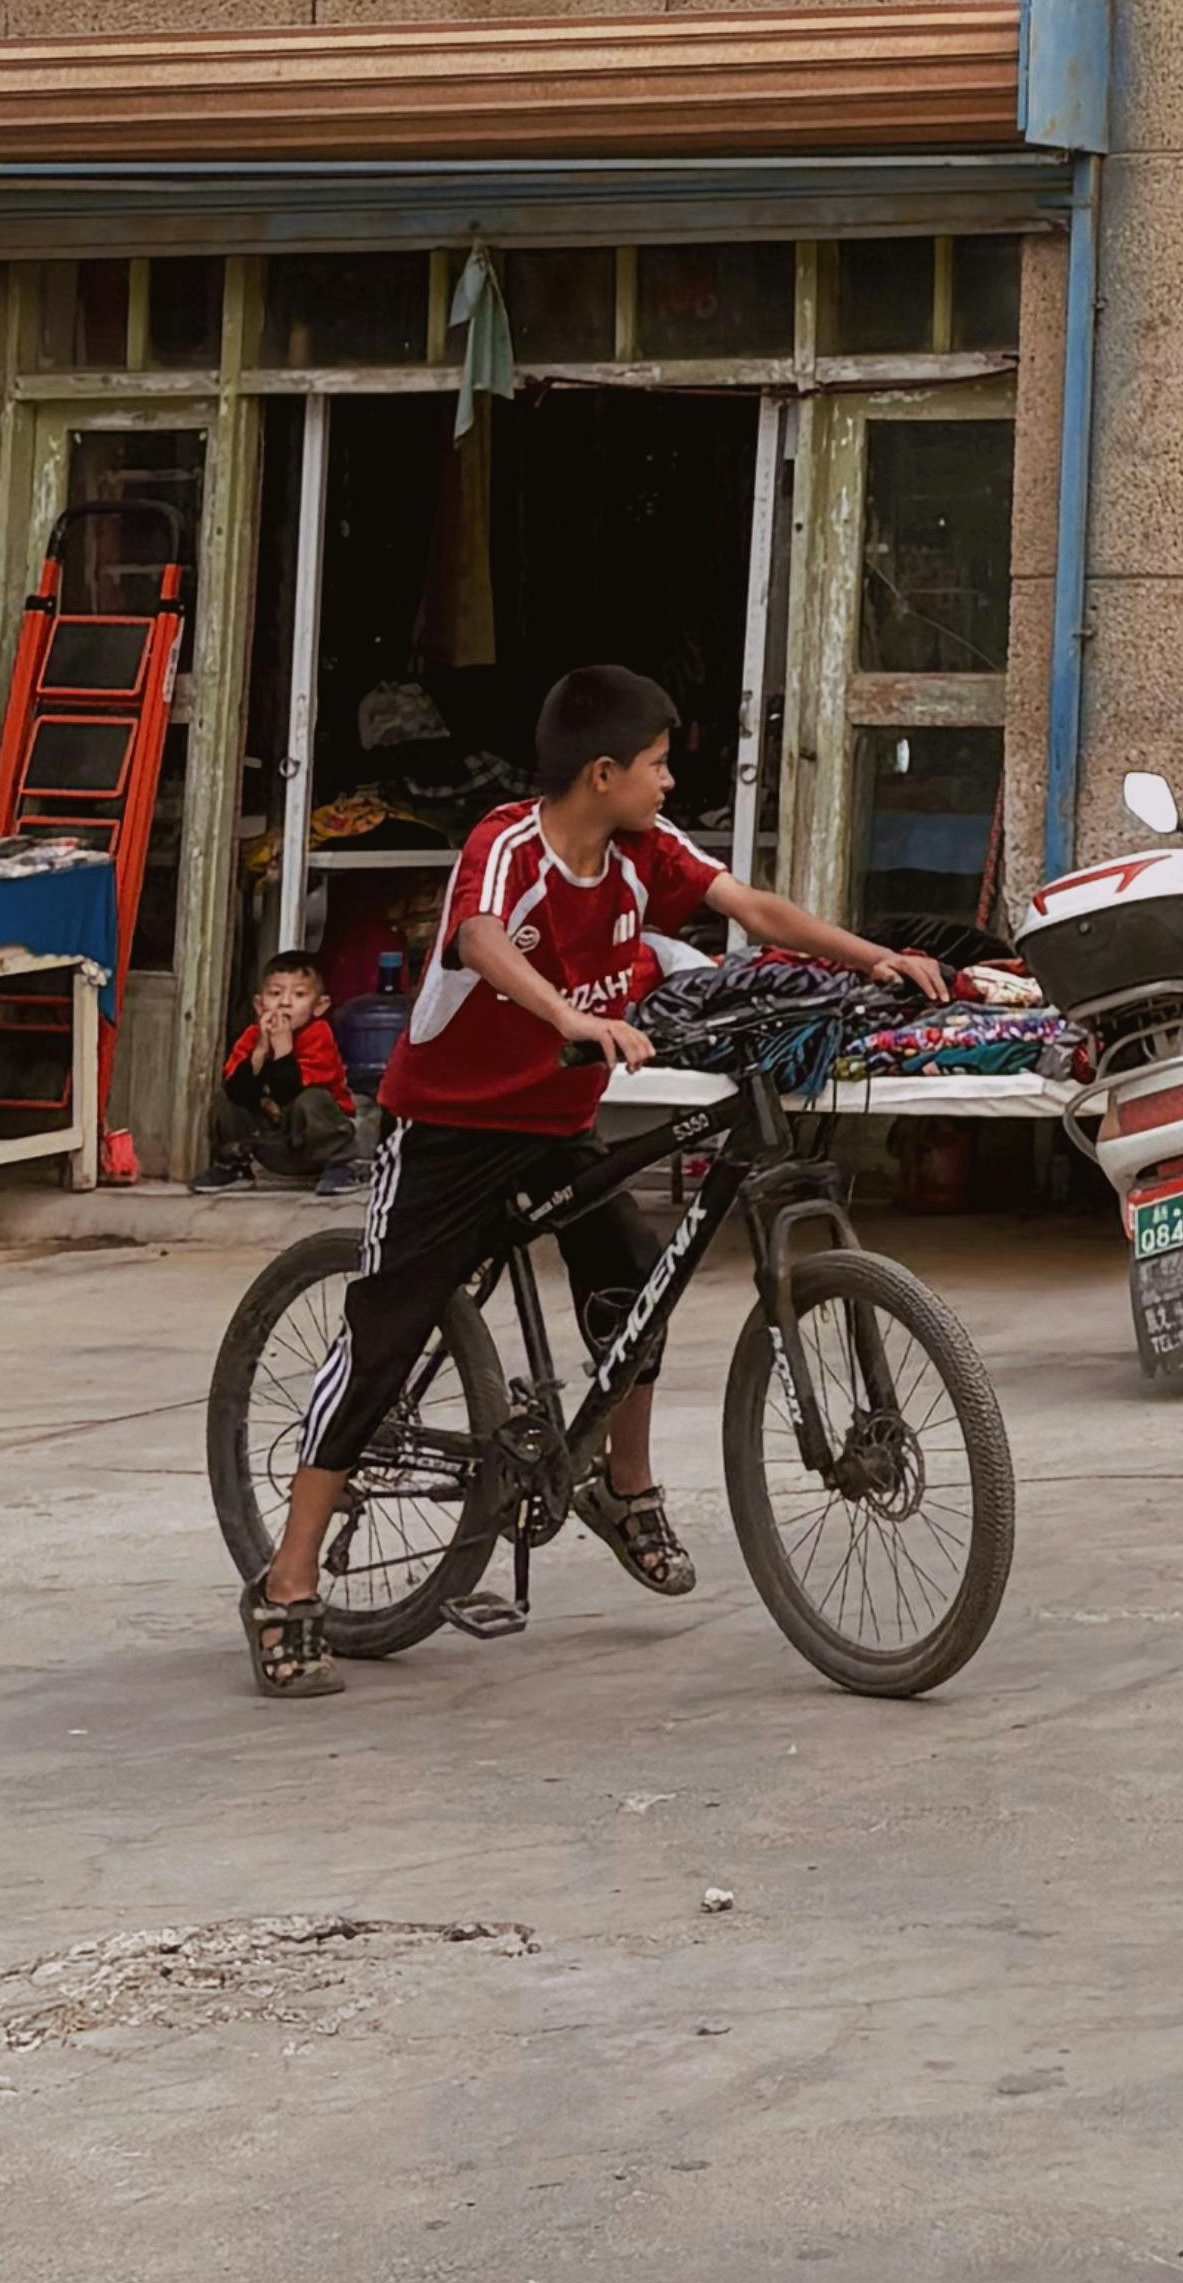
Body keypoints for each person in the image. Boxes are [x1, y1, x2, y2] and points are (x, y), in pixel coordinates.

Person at [244, 667, 944, 1701]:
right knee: (384, 1335)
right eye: (657, 766)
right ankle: (287, 1583)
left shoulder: (641, 855)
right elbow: (480, 939)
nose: (671, 782)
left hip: (556, 1126)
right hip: (449, 1129)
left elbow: (750, 905)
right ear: (602, 772)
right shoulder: (508, 848)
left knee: (634, 1282)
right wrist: (568, 1016)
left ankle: (625, 1485)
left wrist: (874, 958)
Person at [201, 953, 357, 1192]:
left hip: (311, 1146)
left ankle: (340, 1169)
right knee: (226, 1097)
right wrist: (261, 1051)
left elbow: (290, 1091)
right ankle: (234, 1166)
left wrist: (283, 1047)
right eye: (275, 994)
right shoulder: (252, 1037)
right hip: (269, 1144)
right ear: (259, 1004)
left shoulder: (318, 1034)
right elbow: (237, 1090)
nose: (285, 1003)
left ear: (319, 1006)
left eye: (299, 995)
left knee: (312, 1099)